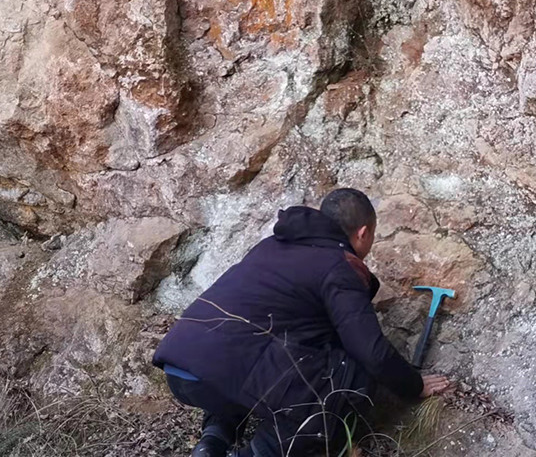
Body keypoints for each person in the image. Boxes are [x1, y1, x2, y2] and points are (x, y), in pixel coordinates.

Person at [153, 188, 449, 457]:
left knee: (242, 368)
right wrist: (414, 385)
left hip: (181, 367)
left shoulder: (270, 246)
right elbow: (370, 351)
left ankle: (212, 443)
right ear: (363, 233)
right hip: (223, 371)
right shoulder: (338, 266)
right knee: (349, 375)